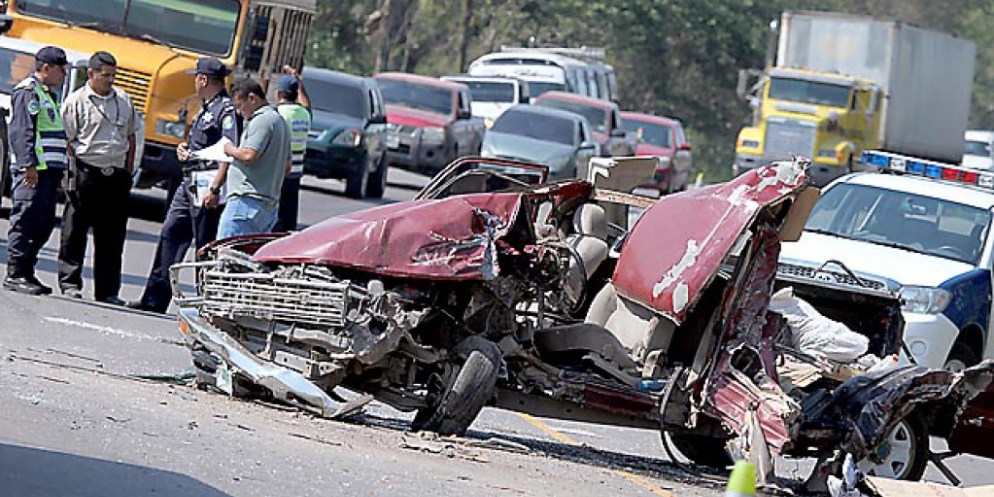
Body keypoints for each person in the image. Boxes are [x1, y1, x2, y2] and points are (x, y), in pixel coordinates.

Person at [129, 57, 239, 313]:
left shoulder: (226, 110)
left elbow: (228, 151)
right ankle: (154, 299)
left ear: (203, 80)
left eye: (196, 77)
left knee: (204, 246)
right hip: (189, 181)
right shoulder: (205, 107)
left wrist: (215, 188)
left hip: (207, 185)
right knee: (171, 233)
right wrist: (184, 149)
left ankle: (209, 306)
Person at [57, 52, 139, 304]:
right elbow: (68, 141)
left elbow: (131, 136)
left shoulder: (123, 100)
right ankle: (70, 282)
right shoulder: (76, 101)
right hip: (86, 171)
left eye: (114, 75)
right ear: (91, 74)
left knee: (112, 237)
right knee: (75, 231)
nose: (110, 80)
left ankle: (107, 291)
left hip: (114, 176)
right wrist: (71, 173)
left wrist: (126, 171)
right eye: (106, 75)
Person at [4, 46, 69, 295]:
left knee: (42, 224)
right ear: (46, 68)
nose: (63, 73)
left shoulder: (47, 94)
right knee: (25, 220)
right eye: (60, 68)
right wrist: (28, 165)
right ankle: (15, 273)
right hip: (33, 172)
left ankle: (27, 271)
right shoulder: (28, 92)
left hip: (48, 172)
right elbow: (22, 132)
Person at [218, 78, 290, 238]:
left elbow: (249, 155)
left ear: (252, 98)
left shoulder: (262, 120)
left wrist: (228, 148)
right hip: (266, 206)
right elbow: (287, 166)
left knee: (226, 254)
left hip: (246, 202)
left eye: (240, 105)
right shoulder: (280, 121)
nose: (239, 111)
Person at [272, 65, 311, 232]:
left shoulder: (276, 114)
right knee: (288, 218)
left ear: (279, 93)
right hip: (295, 173)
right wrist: (299, 81)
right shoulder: (304, 114)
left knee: (274, 218)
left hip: (278, 173)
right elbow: (307, 104)